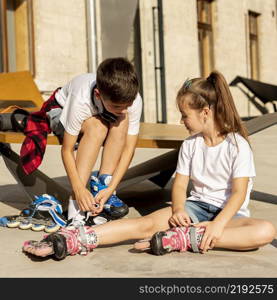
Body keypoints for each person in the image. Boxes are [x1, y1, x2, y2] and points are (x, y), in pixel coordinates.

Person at [22, 70, 276, 260]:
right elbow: (180, 185)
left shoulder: (237, 144)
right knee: (144, 225)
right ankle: (74, 239)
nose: (181, 120)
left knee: (264, 232)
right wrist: (178, 209)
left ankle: (185, 239)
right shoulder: (190, 145)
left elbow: (240, 193)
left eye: (185, 115)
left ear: (205, 113)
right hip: (195, 208)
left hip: (230, 216)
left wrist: (218, 224)